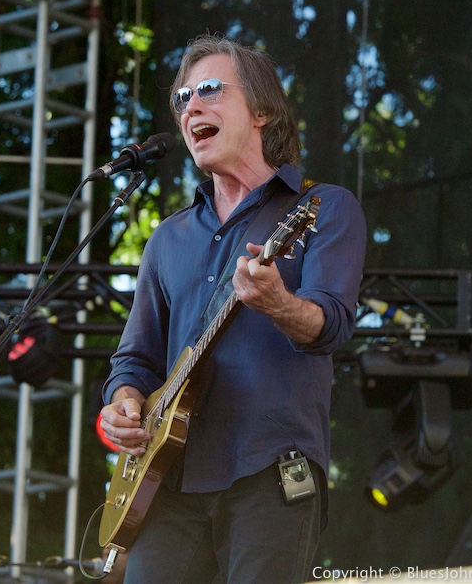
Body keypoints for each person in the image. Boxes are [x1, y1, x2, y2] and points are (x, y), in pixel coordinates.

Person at [98, 33, 367, 583]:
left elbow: (332, 324)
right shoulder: (167, 240)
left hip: (269, 471)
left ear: (263, 110)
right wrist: (124, 403)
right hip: (167, 481)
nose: (190, 106)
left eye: (211, 90)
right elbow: (134, 361)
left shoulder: (322, 208)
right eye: (181, 99)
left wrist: (277, 303)